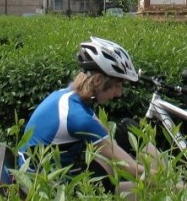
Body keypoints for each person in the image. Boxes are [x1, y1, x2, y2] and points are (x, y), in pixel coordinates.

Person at [19, 36, 160, 197]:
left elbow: (107, 136)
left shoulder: (67, 97)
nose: (119, 93)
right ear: (98, 80)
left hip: (44, 179)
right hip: (49, 191)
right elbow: (129, 167)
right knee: (148, 191)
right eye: (117, 85)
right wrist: (177, 186)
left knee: (128, 129)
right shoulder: (78, 117)